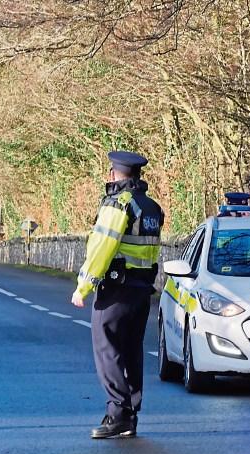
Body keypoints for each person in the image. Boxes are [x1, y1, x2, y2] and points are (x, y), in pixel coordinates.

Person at [71, 151, 164, 439]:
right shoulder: (150, 207)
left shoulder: (118, 205)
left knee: (107, 349)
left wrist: (83, 286)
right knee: (132, 351)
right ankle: (130, 414)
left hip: (115, 288)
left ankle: (117, 414)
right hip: (141, 289)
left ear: (114, 175)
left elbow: (102, 248)